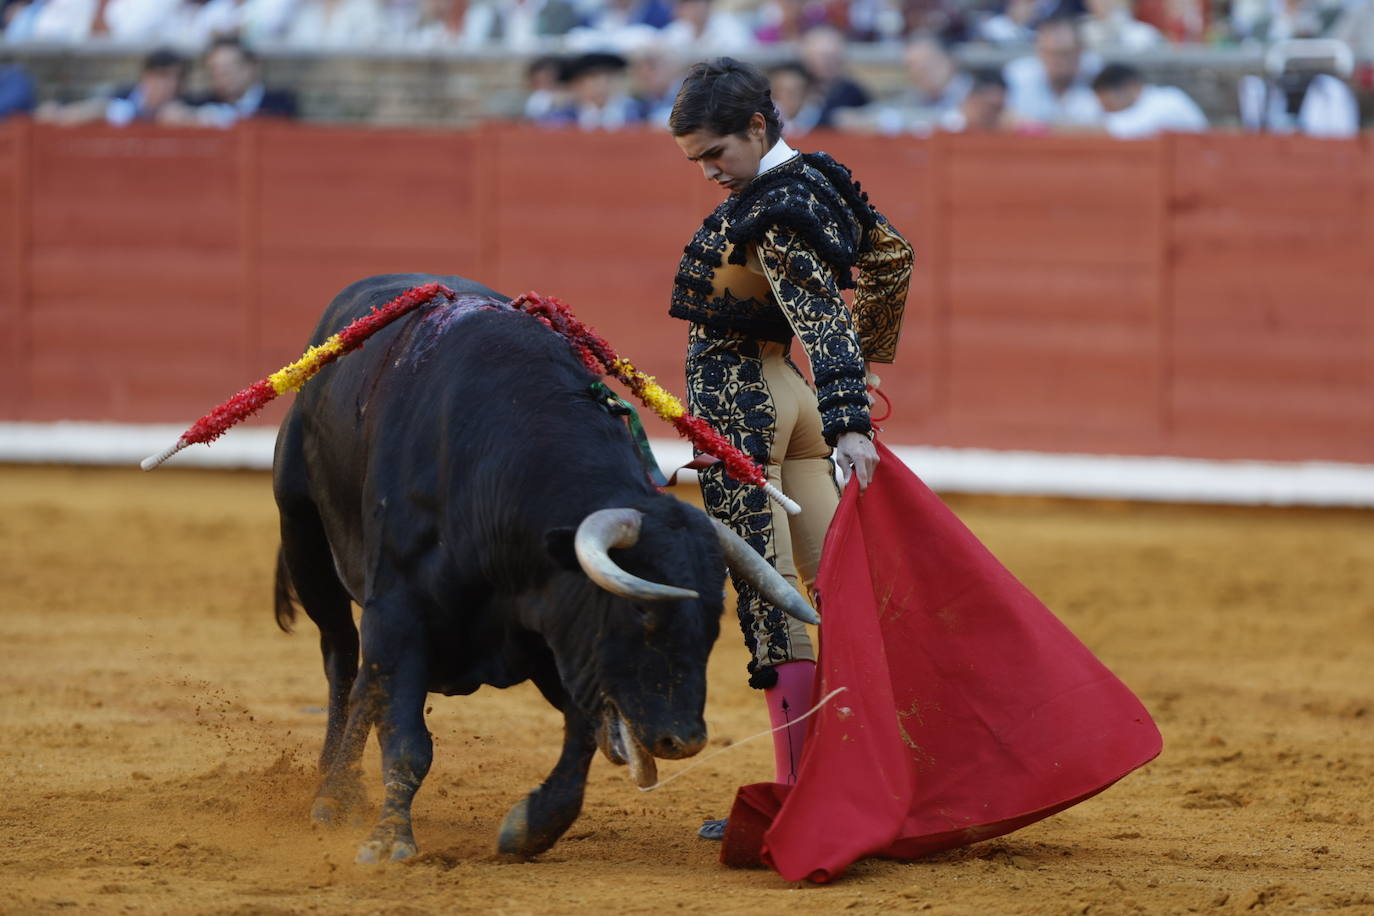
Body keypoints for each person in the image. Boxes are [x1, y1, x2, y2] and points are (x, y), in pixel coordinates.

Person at [665, 57, 914, 842]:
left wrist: (850, 415)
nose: (708, 173)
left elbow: (819, 317)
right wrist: (855, 381)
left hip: (740, 401)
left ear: (757, 128)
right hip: (792, 397)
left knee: (773, 600)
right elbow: (892, 261)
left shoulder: (767, 211)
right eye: (696, 159)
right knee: (828, 586)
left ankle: (800, 793)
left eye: (716, 155)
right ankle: (853, 774)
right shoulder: (821, 178)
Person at [1003, 13, 1102, 128]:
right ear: (1039, 51)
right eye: (1049, 53)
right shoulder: (1017, 75)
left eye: (1064, 53)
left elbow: (1113, 126)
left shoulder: (1099, 74)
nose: (1056, 61)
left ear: (1080, 51)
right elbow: (1003, 120)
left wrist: (1042, 127)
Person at [182, 36, 297, 127]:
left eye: (229, 68)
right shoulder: (201, 105)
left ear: (251, 67)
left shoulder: (280, 103)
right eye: (215, 70)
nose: (222, 76)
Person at [1091, 62, 1206, 138]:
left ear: (1131, 86)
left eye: (1109, 104)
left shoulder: (1169, 100)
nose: (1107, 111)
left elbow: (1121, 130)